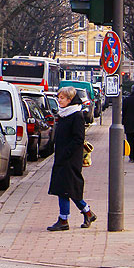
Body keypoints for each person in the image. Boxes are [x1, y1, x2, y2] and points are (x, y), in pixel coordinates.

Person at [47, 86, 97, 231]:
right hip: (62, 157)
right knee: (67, 188)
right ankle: (87, 212)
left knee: (65, 189)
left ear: (70, 100)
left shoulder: (76, 116)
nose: (59, 100)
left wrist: (66, 153)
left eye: (62, 98)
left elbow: (78, 138)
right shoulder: (64, 114)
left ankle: (64, 220)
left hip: (70, 159)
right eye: (59, 97)